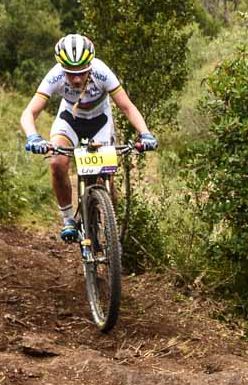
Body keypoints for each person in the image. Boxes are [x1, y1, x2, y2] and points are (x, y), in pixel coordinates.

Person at [17, 34, 158, 241]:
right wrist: (33, 137)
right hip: (70, 121)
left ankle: (109, 227)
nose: (75, 79)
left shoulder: (102, 72)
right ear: (62, 68)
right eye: (70, 73)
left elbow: (127, 106)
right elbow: (28, 113)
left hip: (99, 123)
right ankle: (68, 219)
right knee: (57, 163)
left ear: (90, 66)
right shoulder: (54, 76)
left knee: (105, 175)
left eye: (81, 73)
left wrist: (145, 134)